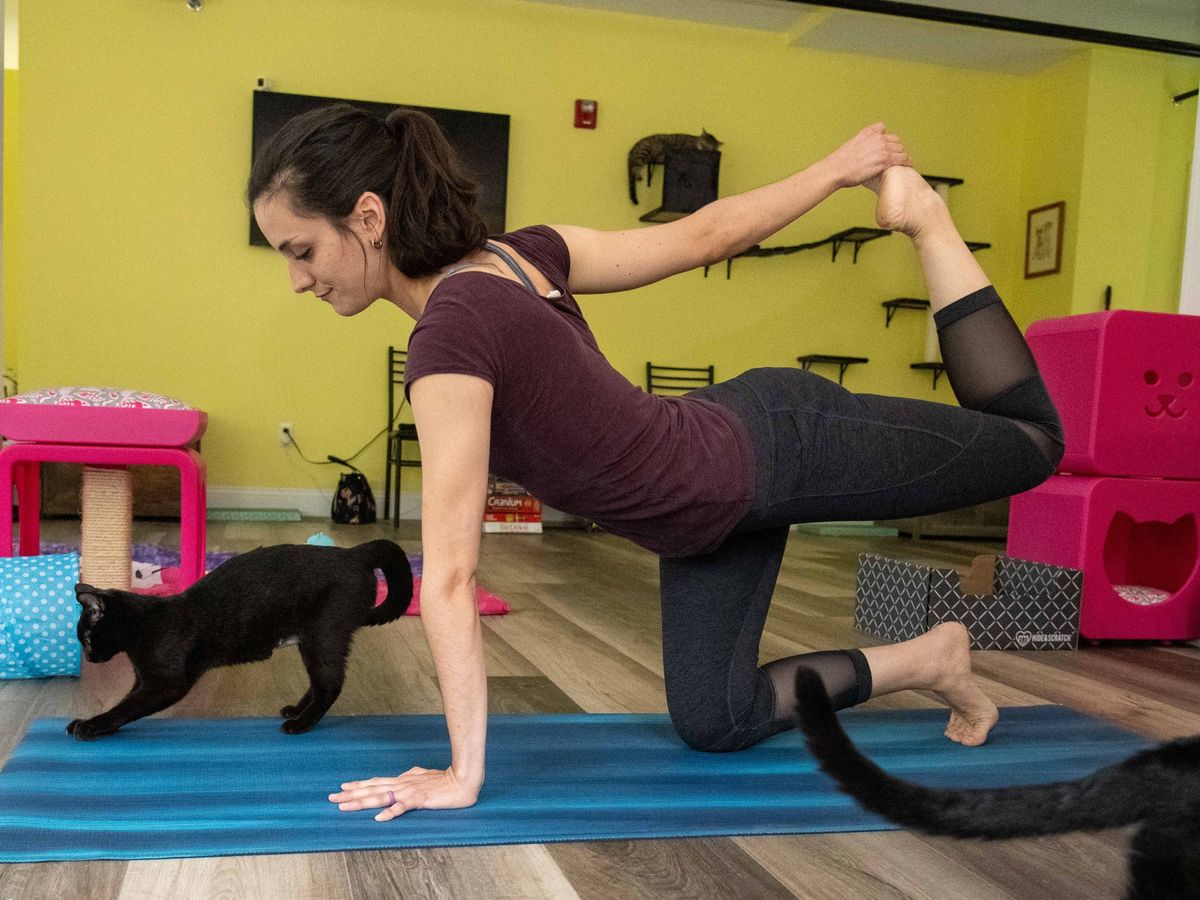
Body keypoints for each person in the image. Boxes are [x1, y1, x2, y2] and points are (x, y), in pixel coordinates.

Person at [248, 106, 1063, 822]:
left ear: (367, 216)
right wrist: (838, 168)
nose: (293, 279)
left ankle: (929, 221)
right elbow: (706, 234)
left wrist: (465, 774)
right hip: (704, 521)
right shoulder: (512, 257)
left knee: (1033, 444)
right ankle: (932, 658)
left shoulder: (453, 336)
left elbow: (453, 579)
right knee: (718, 721)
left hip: (775, 446)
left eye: (301, 249)